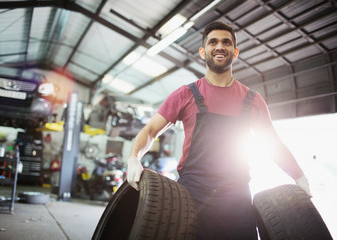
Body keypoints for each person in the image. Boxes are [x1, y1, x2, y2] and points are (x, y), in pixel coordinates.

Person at [127, 21, 311, 240]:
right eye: (213, 42)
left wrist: (299, 177)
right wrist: (133, 157)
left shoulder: (252, 100)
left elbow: (273, 144)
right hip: (191, 195)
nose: (220, 46)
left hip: (237, 199)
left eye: (226, 42)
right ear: (203, 51)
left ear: (235, 52)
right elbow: (150, 131)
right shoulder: (185, 94)